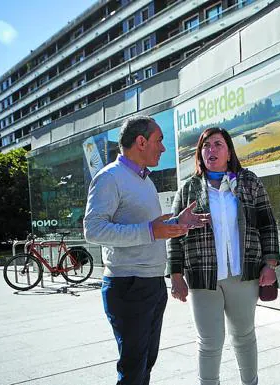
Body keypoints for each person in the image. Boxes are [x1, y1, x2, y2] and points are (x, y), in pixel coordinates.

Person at [84, 115, 210, 385]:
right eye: (159, 141)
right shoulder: (109, 178)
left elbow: (150, 228)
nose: (163, 148)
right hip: (128, 285)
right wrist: (151, 231)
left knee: (145, 365)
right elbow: (93, 230)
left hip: (151, 283)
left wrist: (177, 224)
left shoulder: (144, 180)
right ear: (141, 142)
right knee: (133, 369)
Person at [167, 127, 280, 385]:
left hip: (244, 275)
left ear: (229, 152)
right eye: (206, 146)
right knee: (209, 342)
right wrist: (175, 275)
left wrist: (270, 263)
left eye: (218, 144)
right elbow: (174, 234)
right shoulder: (189, 189)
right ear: (200, 154)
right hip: (203, 277)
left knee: (244, 336)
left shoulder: (249, 182)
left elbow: (267, 224)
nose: (211, 150)